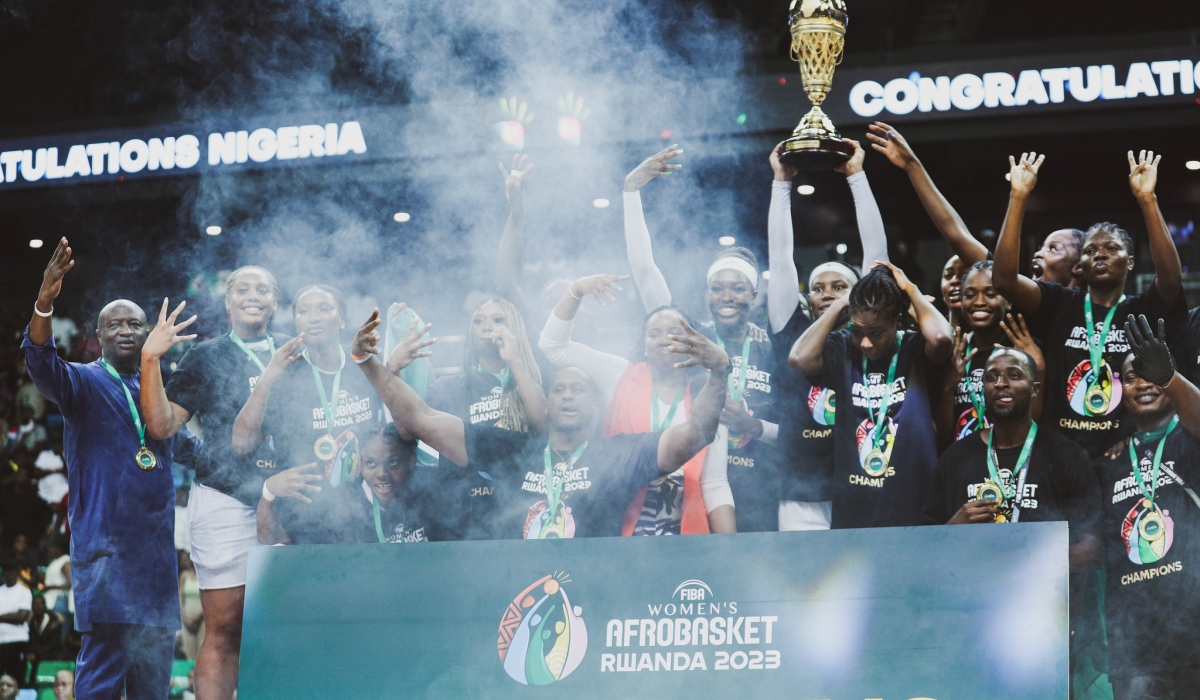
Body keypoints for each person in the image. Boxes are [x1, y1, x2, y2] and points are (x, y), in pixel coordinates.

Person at [352, 308, 731, 539]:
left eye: (578, 389)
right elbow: (422, 418)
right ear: (546, 404)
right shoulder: (514, 450)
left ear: (598, 406)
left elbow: (697, 434)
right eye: (559, 389)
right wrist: (367, 362)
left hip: (592, 589)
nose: (567, 395)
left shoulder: (619, 453)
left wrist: (718, 373)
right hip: (515, 587)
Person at [22, 239, 179, 700]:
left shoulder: (159, 393)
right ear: (99, 335)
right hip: (107, 559)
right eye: (116, 324)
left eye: (136, 323)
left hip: (155, 566)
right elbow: (40, 362)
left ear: (150, 333)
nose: (127, 330)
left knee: (154, 685)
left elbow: (189, 448)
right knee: (100, 685)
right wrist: (45, 301)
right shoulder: (84, 381)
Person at [139, 265, 290, 700]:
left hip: (287, 501)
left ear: (275, 301)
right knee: (224, 629)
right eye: (242, 288)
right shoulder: (205, 355)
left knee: (281, 624)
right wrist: (151, 359)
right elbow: (163, 426)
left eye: (263, 288)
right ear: (227, 302)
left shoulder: (292, 350)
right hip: (225, 499)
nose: (253, 295)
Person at [622, 146, 781, 532]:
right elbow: (645, 272)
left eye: (738, 288)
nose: (727, 297)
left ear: (754, 297)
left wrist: (753, 424)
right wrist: (630, 193)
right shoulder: (690, 338)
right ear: (705, 294)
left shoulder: (770, 347)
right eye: (717, 288)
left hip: (759, 487)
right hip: (693, 484)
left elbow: (795, 433)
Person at [992, 151, 1186, 458]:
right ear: (1080, 265)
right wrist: (1018, 196)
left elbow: (1172, 280)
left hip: (1122, 455)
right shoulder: (1059, 302)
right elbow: (1003, 280)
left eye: (1112, 248)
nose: (1100, 254)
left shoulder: (1142, 309)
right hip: (1061, 453)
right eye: (1091, 250)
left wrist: (1148, 199)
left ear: (1131, 262)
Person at [537, 273, 735, 534]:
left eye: (675, 333)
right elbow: (553, 346)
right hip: (618, 526)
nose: (664, 339)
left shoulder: (708, 393)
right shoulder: (620, 375)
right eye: (654, 334)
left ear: (694, 343)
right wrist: (575, 291)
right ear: (643, 345)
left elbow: (715, 484)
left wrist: (731, 548)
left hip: (684, 532)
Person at [766, 138, 889, 531]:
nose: (828, 294)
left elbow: (877, 254)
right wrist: (781, 183)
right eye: (819, 287)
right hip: (801, 496)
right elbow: (780, 256)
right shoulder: (792, 330)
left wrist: (857, 177)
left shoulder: (868, 339)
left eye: (840, 287)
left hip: (862, 485)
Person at [790, 263, 953, 528]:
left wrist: (910, 289)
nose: (865, 342)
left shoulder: (914, 347)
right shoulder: (842, 347)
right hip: (855, 501)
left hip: (912, 497)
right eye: (858, 332)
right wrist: (840, 305)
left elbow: (941, 338)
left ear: (897, 321)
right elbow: (799, 359)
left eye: (876, 333)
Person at [1093, 315, 1200, 698]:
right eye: (1133, 377)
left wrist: (1169, 375)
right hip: (1135, 646)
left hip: (1194, 637)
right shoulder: (1106, 461)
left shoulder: (1190, 437)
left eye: (1151, 374)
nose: (1143, 384)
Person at [233, 285, 385, 545]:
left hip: (366, 511)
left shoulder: (364, 366)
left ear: (342, 319)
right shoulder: (283, 373)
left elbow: (398, 429)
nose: (313, 317)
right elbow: (242, 443)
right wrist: (265, 380)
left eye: (324, 309)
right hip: (301, 521)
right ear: (296, 322)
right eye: (303, 311)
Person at [866, 122, 1085, 289]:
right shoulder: (1023, 296)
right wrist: (912, 165)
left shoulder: (1089, 308)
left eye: (1053, 249)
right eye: (1041, 247)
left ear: (1079, 266)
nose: (1038, 254)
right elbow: (958, 236)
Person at [922, 348, 1099, 545]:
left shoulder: (1066, 455)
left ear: (1035, 389)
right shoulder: (955, 458)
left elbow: (1091, 547)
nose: (1001, 384)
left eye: (1014, 375)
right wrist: (954, 528)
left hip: (1040, 575)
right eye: (991, 377)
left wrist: (1029, 561)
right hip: (971, 574)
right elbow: (928, 545)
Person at [260, 423, 431, 544]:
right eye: (371, 464)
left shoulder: (431, 492)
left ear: (410, 461)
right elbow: (270, 538)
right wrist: (268, 491)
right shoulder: (345, 505)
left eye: (392, 463)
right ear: (360, 464)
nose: (382, 474)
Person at [937, 261, 1045, 447]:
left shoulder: (1022, 351)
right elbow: (942, 436)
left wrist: (1039, 369)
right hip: (963, 462)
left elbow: (1034, 426)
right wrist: (948, 387)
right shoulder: (953, 351)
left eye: (990, 294)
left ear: (1008, 300)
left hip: (1008, 460)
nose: (979, 302)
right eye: (970, 295)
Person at [0, 560, 31, 685]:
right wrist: (10, 615)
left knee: (16, 678)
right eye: (6, 571)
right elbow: (16, 615)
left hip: (17, 640)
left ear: (17, 573)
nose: (9, 574)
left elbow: (21, 616)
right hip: (0, 642)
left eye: (12, 571)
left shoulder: (24, 591)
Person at [26, 594, 65, 671]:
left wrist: (36, 654)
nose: (37, 607)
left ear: (45, 606)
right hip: (36, 656)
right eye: (35, 604)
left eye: (40, 604)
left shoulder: (54, 623)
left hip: (53, 654)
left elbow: (53, 644)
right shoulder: (31, 623)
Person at [177, 551, 203, 661]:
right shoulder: (184, 575)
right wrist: (185, 618)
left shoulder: (204, 576)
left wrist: (199, 617)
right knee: (189, 651)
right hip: (187, 617)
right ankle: (190, 677)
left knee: (201, 649)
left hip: (202, 618)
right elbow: (180, 598)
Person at [41, 540, 70, 617]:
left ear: (59, 548)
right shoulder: (54, 561)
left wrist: (50, 587)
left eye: (51, 547)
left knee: (59, 628)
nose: (49, 550)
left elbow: (69, 583)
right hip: (50, 600)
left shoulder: (65, 561)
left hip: (59, 601)